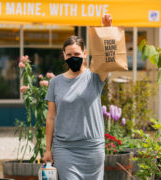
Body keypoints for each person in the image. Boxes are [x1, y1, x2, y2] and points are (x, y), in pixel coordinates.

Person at [42, 14, 112, 180]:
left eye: (77, 54)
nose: (73, 58)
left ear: (85, 54)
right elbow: (51, 117)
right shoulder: (56, 83)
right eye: (69, 55)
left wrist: (107, 30)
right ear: (64, 56)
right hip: (65, 148)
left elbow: (107, 60)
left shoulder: (95, 77)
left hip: (92, 148)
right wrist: (47, 149)